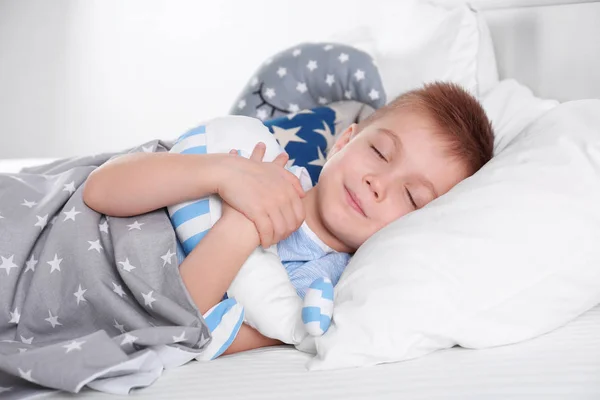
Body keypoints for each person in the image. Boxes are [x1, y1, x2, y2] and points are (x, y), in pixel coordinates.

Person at [83, 81, 494, 356]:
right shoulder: (254, 159)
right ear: (344, 142)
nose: (377, 183)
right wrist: (220, 173)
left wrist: (242, 226)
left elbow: (176, 328)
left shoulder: (317, 291)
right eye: (381, 153)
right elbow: (99, 189)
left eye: (410, 195)